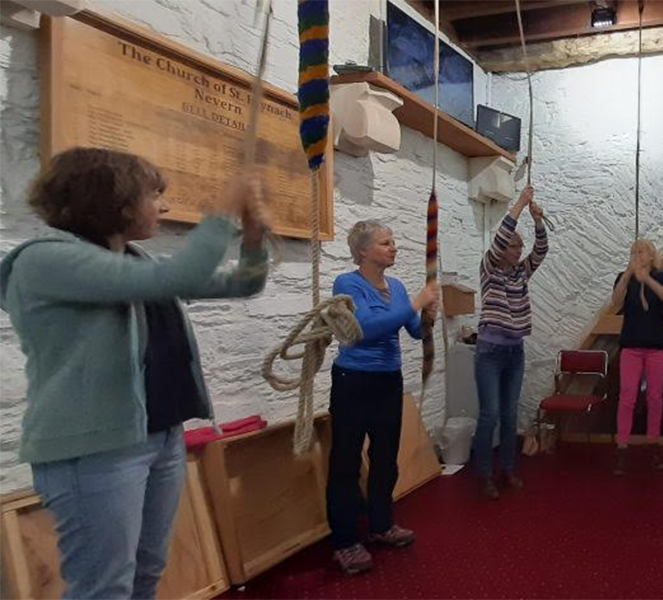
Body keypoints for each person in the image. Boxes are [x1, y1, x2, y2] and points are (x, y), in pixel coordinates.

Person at [0, 147, 270, 599]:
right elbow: (177, 277)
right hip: (97, 451)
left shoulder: (135, 261)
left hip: (161, 436)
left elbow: (242, 284)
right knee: (104, 589)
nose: (162, 206)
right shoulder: (43, 260)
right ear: (113, 201)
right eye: (152, 195)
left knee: (146, 573)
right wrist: (223, 208)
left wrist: (255, 240)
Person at [326, 220, 439, 575]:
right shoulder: (347, 284)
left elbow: (413, 330)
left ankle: (380, 524)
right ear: (362, 251)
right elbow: (363, 332)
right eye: (384, 243)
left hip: (388, 381)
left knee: (385, 458)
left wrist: (427, 318)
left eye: (393, 242)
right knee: (345, 463)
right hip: (353, 381)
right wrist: (416, 302)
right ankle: (345, 541)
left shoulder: (399, 287)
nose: (393, 247)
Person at [474, 185, 549, 500]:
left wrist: (538, 221)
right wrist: (519, 204)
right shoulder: (490, 268)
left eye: (520, 247)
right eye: (513, 247)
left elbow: (541, 250)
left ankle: (507, 469)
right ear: (501, 249)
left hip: (514, 351)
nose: (518, 251)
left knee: (508, 414)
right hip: (489, 352)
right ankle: (483, 475)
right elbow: (503, 233)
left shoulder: (520, 272)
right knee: (489, 414)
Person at [610, 239, 663, 475]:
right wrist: (628, 276)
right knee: (627, 397)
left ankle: (653, 446)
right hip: (631, 347)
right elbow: (616, 303)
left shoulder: (662, 277)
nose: (637, 255)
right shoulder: (624, 277)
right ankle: (622, 448)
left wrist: (646, 278)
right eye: (633, 252)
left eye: (642, 251)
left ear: (651, 255)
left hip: (657, 348)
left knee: (655, 398)